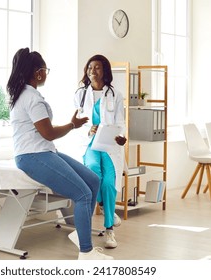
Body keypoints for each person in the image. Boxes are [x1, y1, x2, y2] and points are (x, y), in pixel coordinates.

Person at [7, 48, 113, 260]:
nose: (46, 73)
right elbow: (48, 133)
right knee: (82, 194)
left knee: (93, 180)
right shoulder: (31, 98)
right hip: (33, 156)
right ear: (38, 72)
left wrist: (71, 125)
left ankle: (79, 233)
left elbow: (43, 132)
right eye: (45, 70)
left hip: (42, 151)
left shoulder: (25, 94)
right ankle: (86, 252)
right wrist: (72, 125)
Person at [73, 54, 127, 249]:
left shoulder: (116, 94)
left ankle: (109, 231)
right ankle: (106, 208)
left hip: (110, 145)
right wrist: (88, 130)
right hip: (89, 144)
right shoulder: (80, 95)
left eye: (96, 68)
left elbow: (121, 123)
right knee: (94, 173)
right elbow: (76, 123)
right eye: (89, 68)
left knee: (108, 182)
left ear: (105, 71)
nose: (92, 71)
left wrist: (122, 137)